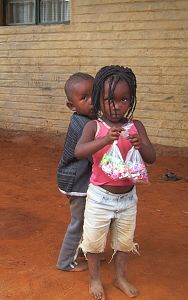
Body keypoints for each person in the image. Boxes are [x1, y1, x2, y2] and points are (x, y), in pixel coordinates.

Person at [75, 65, 156, 299]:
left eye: (123, 99)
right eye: (109, 99)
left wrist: (140, 144)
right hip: (100, 197)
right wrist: (103, 141)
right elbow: (79, 152)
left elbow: (151, 158)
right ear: (99, 99)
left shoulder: (135, 126)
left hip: (128, 198)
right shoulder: (94, 126)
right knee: (93, 243)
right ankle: (95, 279)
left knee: (124, 242)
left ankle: (120, 277)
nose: (116, 105)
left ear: (130, 101)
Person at [56, 72, 95, 272]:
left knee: (88, 218)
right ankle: (65, 262)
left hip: (80, 178)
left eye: (94, 95)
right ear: (72, 106)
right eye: (84, 98)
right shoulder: (84, 125)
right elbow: (93, 156)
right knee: (78, 222)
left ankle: (83, 250)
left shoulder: (89, 119)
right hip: (75, 181)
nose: (92, 101)